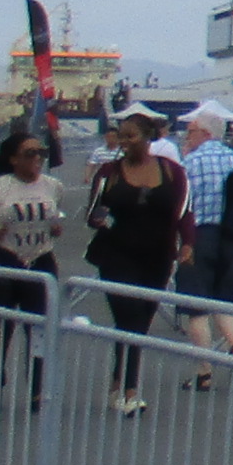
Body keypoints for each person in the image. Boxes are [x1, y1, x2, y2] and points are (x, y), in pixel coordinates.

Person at [81, 112, 185, 415]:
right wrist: (99, 218)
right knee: (129, 317)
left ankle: (118, 383)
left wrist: (188, 244)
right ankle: (129, 391)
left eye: (130, 136)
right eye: (121, 136)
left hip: (157, 255)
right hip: (116, 254)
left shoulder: (171, 171)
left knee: (140, 321)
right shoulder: (108, 172)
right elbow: (92, 212)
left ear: (147, 137)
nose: (123, 142)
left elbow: (183, 212)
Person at [0, 128, 63, 407]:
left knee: (38, 326)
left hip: (40, 258)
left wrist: (55, 228)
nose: (37, 158)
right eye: (30, 154)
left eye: (41, 153)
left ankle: (37, 387)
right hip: (6, 258)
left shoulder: (52, 186)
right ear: (13, 159)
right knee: (1, 324)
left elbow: (55, 221)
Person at [173, 107, 233, 376]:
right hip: (231, 236)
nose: (187, 136)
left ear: (205, 133)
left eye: (191, 131)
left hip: (198, 236)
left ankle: (204, 370)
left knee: (197, 307)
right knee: (224, 298)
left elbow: (180, 203)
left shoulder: (190, 163)